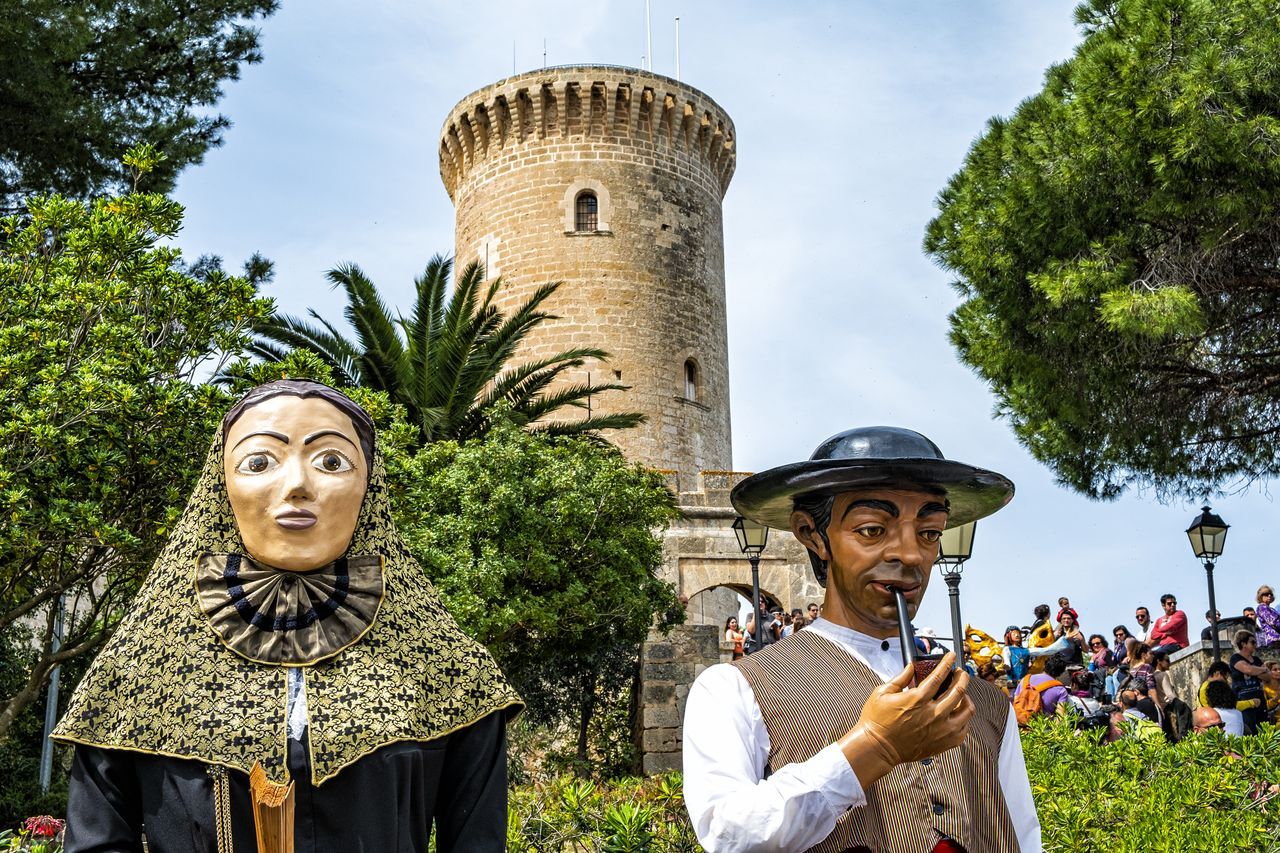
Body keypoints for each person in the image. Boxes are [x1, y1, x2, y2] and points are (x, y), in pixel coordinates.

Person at [54, 380, 521, 852]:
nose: (297, 484)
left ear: (369, 487)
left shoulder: (446, 669)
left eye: (331, 462)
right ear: (221, 486)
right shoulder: (142, 666)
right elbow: (99, 841)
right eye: (259, 462)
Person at [682, 426, 1039, 851]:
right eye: (872, 530)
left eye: (928, 533)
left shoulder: (989, 704)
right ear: (813, 535)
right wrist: (874, 747)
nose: (908, 554)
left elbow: (1024, 837)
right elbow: (728, 835)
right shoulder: (735, 689)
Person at [1229, 630, 1272, 734]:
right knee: (1249, 730)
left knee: (1263, 730)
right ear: (1243, 644)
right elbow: (1247, 670)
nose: (1255, 645)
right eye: (1252, 642)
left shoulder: (1256, 659)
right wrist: (1262, 669)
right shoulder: (1235, 658)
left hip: (1260, 698)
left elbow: (1268, 677)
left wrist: (1254, 670)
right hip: (1244, 699)